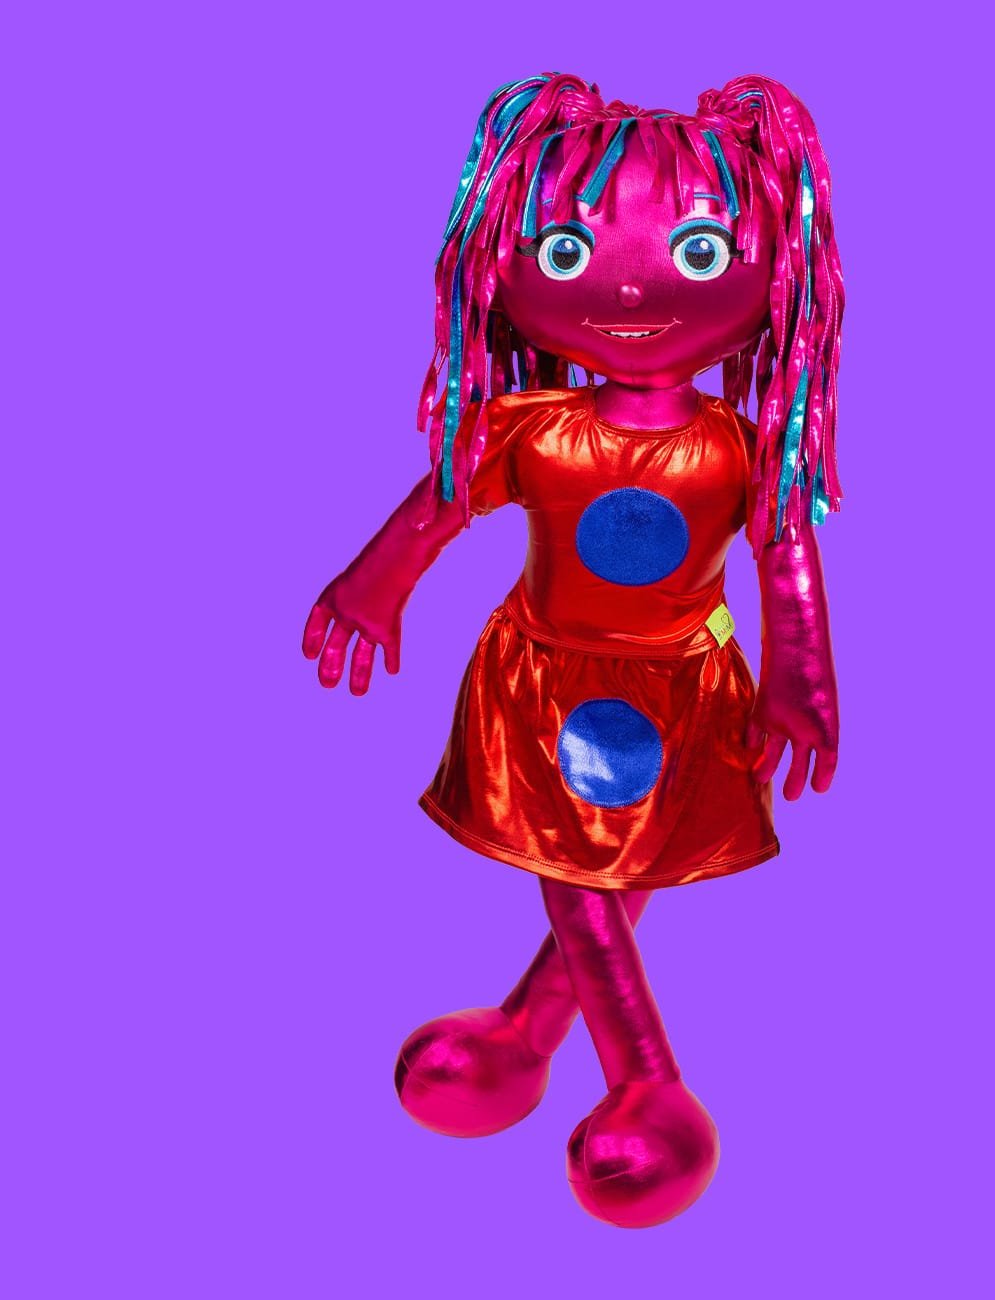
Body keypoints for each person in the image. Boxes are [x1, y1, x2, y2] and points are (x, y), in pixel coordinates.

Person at [302, 72, 844, 1228]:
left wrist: (799, 672)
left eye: (698, 253)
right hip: (539, 673)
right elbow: (439, 506)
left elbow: (783, 550)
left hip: (687, 679)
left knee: (620, 862)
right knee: (581, 863)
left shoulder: (741, 448)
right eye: (565, 252)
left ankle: (529, 1034)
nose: (633, 285)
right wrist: (372, 585)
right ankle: (641, 1074)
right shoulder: (530, 430)